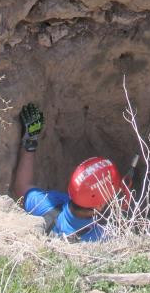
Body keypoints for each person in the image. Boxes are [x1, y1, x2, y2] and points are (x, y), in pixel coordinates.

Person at [12, 103, 129, 243]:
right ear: (98, 206)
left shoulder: (52, 205)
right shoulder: (102, 237)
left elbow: (21, 187)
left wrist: (31, 140)